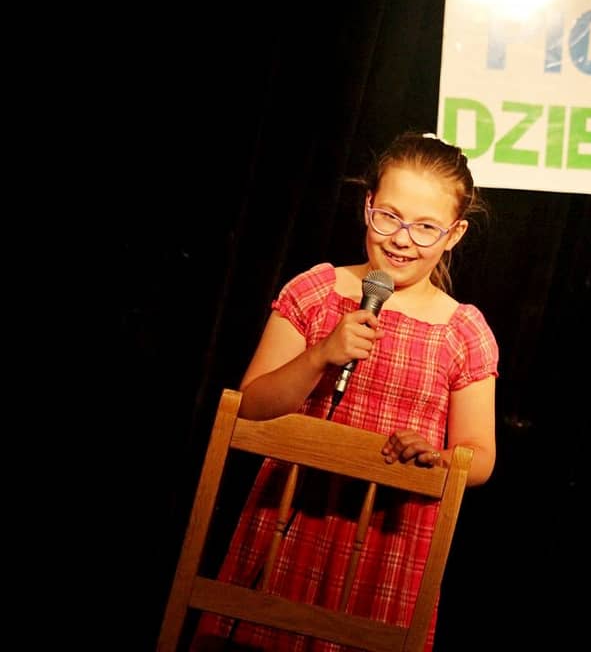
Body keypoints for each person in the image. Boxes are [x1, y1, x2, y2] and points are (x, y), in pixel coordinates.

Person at [193, 132, 498, 651]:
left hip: (387, 540)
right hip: (288, 519)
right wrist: (320, 355)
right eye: (389, 217)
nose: (402, 239)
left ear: (454, 234)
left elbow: (481, 456)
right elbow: (249, 407)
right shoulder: (315, 291)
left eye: (426, 227)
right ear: (367, 206)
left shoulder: (463, 331)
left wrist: (439, 458)